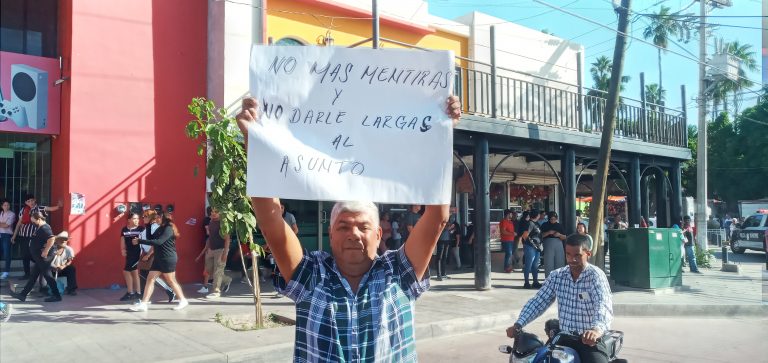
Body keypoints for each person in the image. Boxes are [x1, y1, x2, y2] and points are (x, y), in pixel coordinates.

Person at [235, 95, 461, 362]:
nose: (353, 233)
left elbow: (437, 217)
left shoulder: (398, 272)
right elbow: (270, 220)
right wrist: (256, 144)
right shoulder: (311, 274)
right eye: (343, 226)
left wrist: (441, 134)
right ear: (330, 235)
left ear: (378, 235)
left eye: (363, 226)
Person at [507, 233, 614, 363]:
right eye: (568, 254)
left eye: (577, 255)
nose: (571, 259)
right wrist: (519, 324)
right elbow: (538, 302)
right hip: (563, 338)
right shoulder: (557, 276)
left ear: (588, 254)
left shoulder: (596, 276)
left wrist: (595, 330)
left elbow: (603, 305)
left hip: (589, 341)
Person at [130, 212, 189, 311]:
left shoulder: (168, 228)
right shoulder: (160, 228)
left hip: (167, 258)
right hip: (158, 258)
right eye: (156, 217)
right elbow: (150, 237)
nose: (156, 219)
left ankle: (183, 300)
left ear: (163, 218)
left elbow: (158, 242)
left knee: (171, 280)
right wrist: (148, 224)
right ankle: (144, 304)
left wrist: (140, 241)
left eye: (158, 217)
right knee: (150, 279)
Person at [9, 211, 62, 302]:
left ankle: (57, 295)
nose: (32, 223)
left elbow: (52, 238)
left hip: (45, 256)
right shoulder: (40, 227)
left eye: (33, 221)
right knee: (33, 275)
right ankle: (23, 295)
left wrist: (45, 251)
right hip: (40, 257)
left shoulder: (45, 228)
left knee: (47, 275)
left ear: (39, 219)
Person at [11, 194, 62, 280]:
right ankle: (27, 274)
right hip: (23, 236)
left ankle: (43, 267)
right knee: (24, 256)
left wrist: (58, 206)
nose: (30, 202)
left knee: (34, 255)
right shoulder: (23, 210)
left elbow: (49, 208)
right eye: (28, 201)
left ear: (35, 200)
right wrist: (14, 236)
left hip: (34, 237)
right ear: (25, 202)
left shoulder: (39, 208)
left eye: (31, 200)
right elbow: (19, 224)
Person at [137, 210, 175, 303]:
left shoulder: (157, 228)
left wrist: (149, 255)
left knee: (150, 276)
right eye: (143, 216)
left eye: (146, 216)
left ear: (151, 218)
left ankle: (168, 290)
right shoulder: (148, 228)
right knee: (144, 274)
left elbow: (156, 243)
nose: (143, 218)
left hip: (153, 254)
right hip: (145, 254)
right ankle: (143, 298)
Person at [199, 208, 232, 299]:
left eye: (216, 212)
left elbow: (227, 239)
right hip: (211, 249)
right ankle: (227, 280)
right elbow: (210, 237)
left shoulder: (223, 223)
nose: (213, 213)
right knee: (209, 271)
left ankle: (216, 291)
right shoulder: (211, 222)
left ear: (221, 213)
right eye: (212, 212)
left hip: (221, 250)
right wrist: (208, 248)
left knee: (218, 270)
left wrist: (225, 253)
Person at [119, 213, 144, 301]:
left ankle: (131, 292)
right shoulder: (124, 229)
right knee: (134, 272)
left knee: (126, 271)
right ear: (129, 220)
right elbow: (122, 240)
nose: (137, 220)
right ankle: (137, 293)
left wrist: (139, 241)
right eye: (134, 218)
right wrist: (122, 249)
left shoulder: (141, 229)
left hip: (137, 253)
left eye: (138, 218)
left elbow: (146, 240)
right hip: (129, 254)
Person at [520, 210, 543, 289]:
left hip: (536, 247)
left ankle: (535, 281)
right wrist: (531, 243)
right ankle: (526, 282)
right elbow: (525, 235)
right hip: (530, 247)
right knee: (528, 265)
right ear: (537, 215)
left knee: (535, 265)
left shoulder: (536, 223)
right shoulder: (530, 223)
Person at [50, 232, 77, 296]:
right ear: (57, 240)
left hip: (62, 268)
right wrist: (53, 266)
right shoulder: (52, 248)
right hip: (51, 268)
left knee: (71, 268)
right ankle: (44, 288)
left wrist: (63, 266)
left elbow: (69, 261)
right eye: (61, 239)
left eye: (65, 239)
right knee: (43, 268)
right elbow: (46, 260)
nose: (64, 241)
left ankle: (71, 289)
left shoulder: (69, 249)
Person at [540, 211, 566, 278]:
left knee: (559, 262)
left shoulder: (559, 226)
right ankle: (549, 279)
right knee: (549, 263)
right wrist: (548, 232)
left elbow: (565, 237)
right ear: (549, 218)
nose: (553, 220)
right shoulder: (545, 225)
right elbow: (540, 236)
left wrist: (559, 235)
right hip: (548, 243)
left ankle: (559, 279)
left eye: (554, 219)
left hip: (558, 243)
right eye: (551, 219)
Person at [435, 207, 457, 280]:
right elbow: (443, 226)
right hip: (441, 239)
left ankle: (444, 274)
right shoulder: (443, 217)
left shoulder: (452, 217)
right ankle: (439, 275)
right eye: (452, 210)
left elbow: (453, 227)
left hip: (447, 239)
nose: (453, 212)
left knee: (445, 256)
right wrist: (449, 227)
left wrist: (452, 228)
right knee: (439, 257)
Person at [0, 200, 16, 280]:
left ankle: (6, 272)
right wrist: (2, 224)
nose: (7, 206)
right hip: (0, 234)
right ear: (2, 206)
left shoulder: (12, 214)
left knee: (7, 254)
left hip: (7, 235)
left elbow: (6, 225)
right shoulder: (0, 213)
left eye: (8, 205)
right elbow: (3, 224)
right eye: (5, 205)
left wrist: (3, 224)